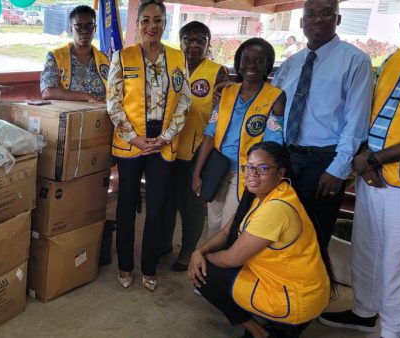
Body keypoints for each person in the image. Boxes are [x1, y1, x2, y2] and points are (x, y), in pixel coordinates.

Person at [318, 0, 400, 336]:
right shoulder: (394, 60)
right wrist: (366, 158)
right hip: (373, 179)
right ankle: (364, 312)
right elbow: (368, 112)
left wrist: (374, 159)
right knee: (367, 252)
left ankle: (394, 330)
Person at [189, 142, 330, 338]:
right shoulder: (267, 195)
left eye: (263, 168)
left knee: (206, 274)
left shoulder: (276, 208)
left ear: (281, 172)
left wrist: (203, 258)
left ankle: (261, 333)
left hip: (294, 300)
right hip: (290, 287)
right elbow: (225, 232)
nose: (252, 174)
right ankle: (263, 327)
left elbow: (232, 258)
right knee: (205, 265)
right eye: (249, 167)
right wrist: (199, 252)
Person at [271, 0, 373, 250]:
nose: (318, 20)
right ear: (301, 22)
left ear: (337, 19)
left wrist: (338, 168)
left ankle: (313, 288)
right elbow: (274, 114)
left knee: (314, 237)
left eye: (326, 13)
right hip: (287, 158)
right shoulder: (290, 64)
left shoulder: (355, 61)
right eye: (311, 14)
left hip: (324, 162)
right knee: (280, 230)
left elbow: (356, 120)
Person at [107, 0, 190, 292]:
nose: (151, 26)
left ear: (165, 23)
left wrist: (166, 136)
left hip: (163, 142)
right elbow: (113, 102)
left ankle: (149, 266)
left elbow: (184, 101)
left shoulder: (178, 59)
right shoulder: (122, 57)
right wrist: (134, 137)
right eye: (145, 21)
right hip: (131, 142)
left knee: (157, 206)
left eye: (157, 20)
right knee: (126, 203)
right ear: (138, 24)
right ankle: (126, 265)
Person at [192, 38, 286, 242]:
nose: (251, 65)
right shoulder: (226, 92)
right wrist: (198, 172)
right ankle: (209, 267)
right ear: (238, 63)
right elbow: (210, 134)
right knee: (214, 223)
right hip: (217, 168)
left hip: (246, 173)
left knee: (230, 224)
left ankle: (224, 267)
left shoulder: (275, 97)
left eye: (259, 61)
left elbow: (273, 146)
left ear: (267, 65)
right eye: (246, 60)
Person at [161, 21, 229, 272]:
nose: (193, 45)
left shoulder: (216, 72)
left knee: (191, 205)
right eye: (188, 39)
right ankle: (163, 243)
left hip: (198, 151)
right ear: (180, 42)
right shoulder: (171, 67)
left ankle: (188, 250)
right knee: (166, 200)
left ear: (208, 44)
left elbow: (223, 110)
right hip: (167, 148)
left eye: (201, 40)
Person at [40, 5, 109, 102]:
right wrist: (86, 97)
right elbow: (48, 92)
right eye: (78, 26)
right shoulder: (56, 57)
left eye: (89, 26)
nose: (84, 31)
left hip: (100, 115)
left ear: (95, 28)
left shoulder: (105, 59)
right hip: (69, 116)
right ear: (71, 29)